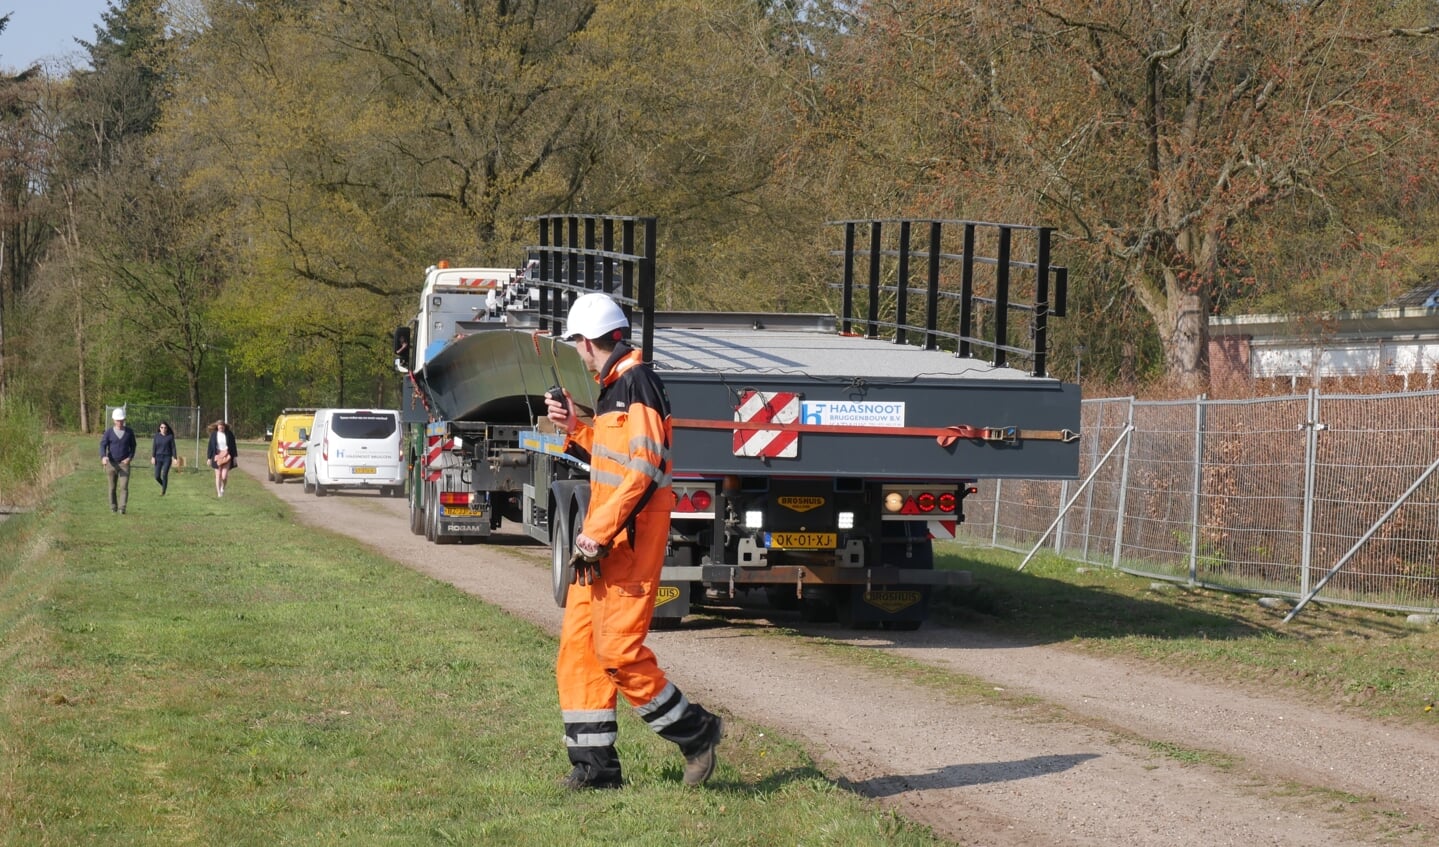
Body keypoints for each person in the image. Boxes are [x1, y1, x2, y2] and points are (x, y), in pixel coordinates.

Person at [544, 291, 722, 790]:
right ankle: (595, 770)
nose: (578, 352)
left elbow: (643, 471)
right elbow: (614, 459)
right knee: (579, 651)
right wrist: (576, 428)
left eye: (577, 343)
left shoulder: (637, 384)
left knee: (618, 654)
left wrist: (596, 534)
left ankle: (697, 732)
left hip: (623, 544)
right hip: (602, 545)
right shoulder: (617, 387)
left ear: (586, 341)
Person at [100, 407, 137, 514]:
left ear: (124, 419)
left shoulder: (129, 432)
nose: (119, 422)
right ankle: (113, 507)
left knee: (124, 487)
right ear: (113, 420)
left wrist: (130, 458)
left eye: (121, 420)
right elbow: (102, 445)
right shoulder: (108, 433)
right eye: (117, 420)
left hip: (124, 464)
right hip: (111, 464)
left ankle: (122, 508)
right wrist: (103, 456)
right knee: (112, 488)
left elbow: (133, 446)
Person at [206, 420, 238, 497]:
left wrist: (234, 457)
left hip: (227, 455)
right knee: (218, 475)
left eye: (222, 426)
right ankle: (219, 493)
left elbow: (233, 446)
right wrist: (209, 458)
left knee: (224, 476)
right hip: (217, 456)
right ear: (217, 427)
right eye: (219, 426)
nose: (221, 427)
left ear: (224, 426)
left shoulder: (229, 434)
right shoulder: (214, 434)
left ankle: (222, 488)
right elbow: (210, 446)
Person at [150, 421, 177, 496]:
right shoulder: (156, 436)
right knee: (157, 476)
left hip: (167, 457)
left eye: (165, 428)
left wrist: (175, 458)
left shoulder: (170, 436)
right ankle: (164, 485)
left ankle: (163, 491)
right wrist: (153, 457)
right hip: (158, 457)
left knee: (164, 474)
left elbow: (173, 447)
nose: (163, 429)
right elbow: (154, 447)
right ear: (159, 428)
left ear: (167, 428)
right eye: (162, 427)